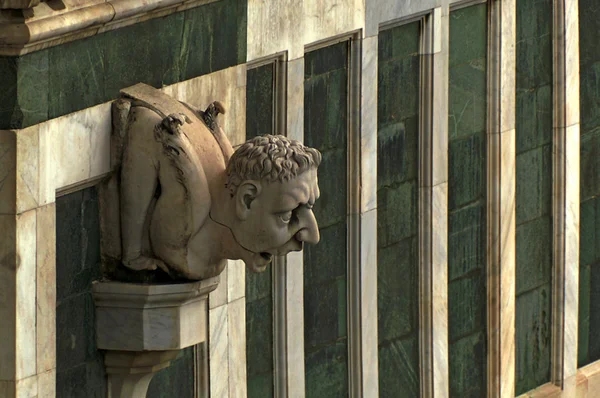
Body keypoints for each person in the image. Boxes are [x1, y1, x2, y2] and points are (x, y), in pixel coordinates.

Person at [118, 95, 321, 280]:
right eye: (286, 215)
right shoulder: (189, 221)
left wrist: (210, 126)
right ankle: (132, 252)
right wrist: (133, 249)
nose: (312, 236)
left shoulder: (219, 181)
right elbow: (145, 124)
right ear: (247, 200)